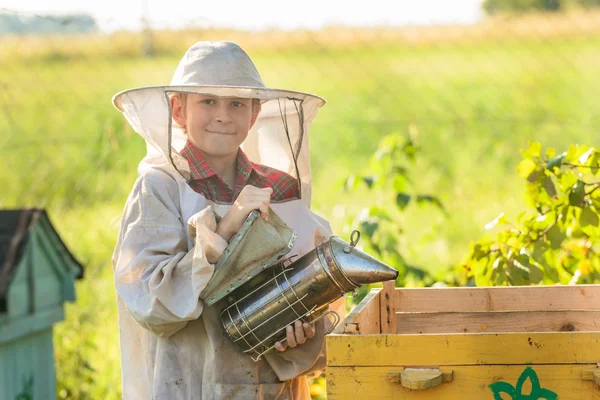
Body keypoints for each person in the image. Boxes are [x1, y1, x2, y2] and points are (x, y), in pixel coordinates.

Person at [111, 41, 344, 399]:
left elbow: (314, 295)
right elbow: (149, 301)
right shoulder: (159, 189)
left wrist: (302, 331)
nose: (223, 115)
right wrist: (225, 228)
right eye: (208, 101)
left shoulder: (279, 190)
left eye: (236, 103)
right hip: (186, 385)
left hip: (269, 388)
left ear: (254, 114)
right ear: (178, 109)